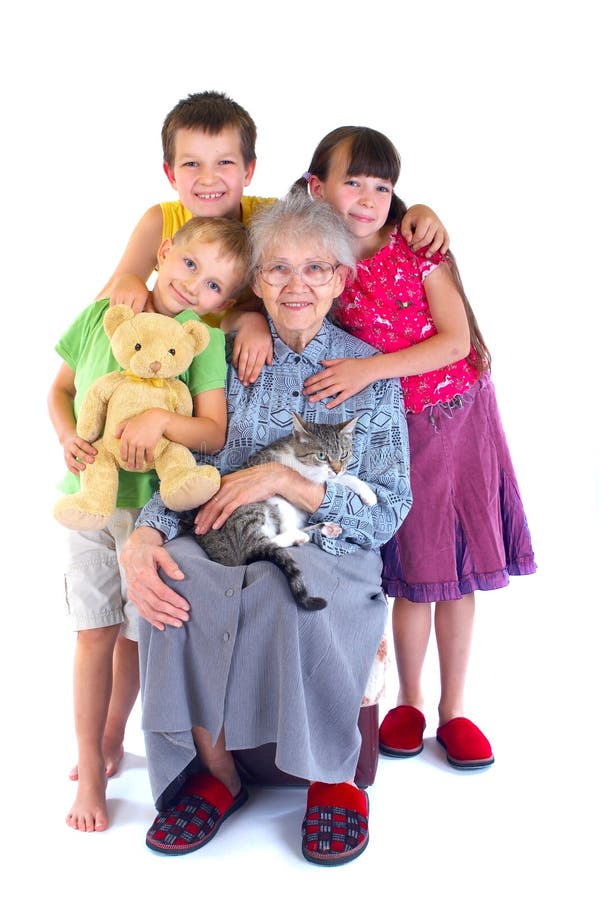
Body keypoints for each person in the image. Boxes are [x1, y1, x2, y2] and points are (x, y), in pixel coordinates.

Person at [120, 192, 412, 866]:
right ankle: (216, 776)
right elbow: (186, 463)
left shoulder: (369, 376)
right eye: (277, 269)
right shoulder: (218, 359)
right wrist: (144, 536)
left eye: (315, 269)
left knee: (301, 589)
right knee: (177, 576)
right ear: (256, 282)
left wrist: (289, 483)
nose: (296, 285)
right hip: (221, 531)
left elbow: (389, 508)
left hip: (330, 541)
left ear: (341, 278)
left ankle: (329, 777)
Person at [295, 126, 537, 768]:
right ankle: (409, 699)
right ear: (318, 186)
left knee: (455, 573)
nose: (371, 197)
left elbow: (456, 342)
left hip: (458, 415)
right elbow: (267, 283)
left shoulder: (416, 249)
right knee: (411, 570)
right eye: (354, 182)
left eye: (384, 185)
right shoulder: (319, 260)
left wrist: (368, 371)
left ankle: (455, 709)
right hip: (395, 431)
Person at [48, 215, 251, 833]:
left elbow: (213, 431)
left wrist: (161, 425)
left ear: (228, 302)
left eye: (216, 286)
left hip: (154, 512)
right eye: (190, 265)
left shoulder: (202, 343)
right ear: (165, 252)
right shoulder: (102, 315)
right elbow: (59, 390)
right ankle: (88, 757)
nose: (196, 287)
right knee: (93, 631)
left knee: (138, 635)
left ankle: (113, 739)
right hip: (91, 500)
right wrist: (65, 437)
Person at [96, 90, 449, 325]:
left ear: (249, 170)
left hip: (241, 365)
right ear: (170, 174)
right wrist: (129, 282)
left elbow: (339, 219)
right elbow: (106, 299)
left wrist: (413, 212)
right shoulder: (160, 221)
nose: (208, 179)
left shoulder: (269, 218)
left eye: (224, 163)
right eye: (191, 165)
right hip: (168, 358)